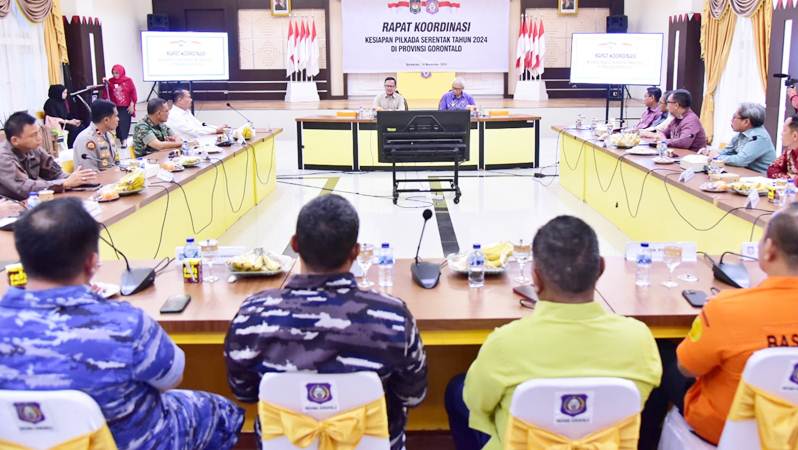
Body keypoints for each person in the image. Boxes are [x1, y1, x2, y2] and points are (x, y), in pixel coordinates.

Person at [0, 198, 244, 449]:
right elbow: (172, 378)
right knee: (219, 409)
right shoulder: (125, 324)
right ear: (91, 262)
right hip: (128, 442)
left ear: (23, 259)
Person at [224, 194, 427, 450]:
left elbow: (245, 393)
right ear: (356, 251)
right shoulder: (393, 317)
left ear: (295, 244)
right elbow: (413, 395)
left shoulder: (252, 316)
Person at [639, 203, 798, 447]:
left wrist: (709, 317)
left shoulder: (727, 308)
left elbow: (687, 368)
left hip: (724, 428)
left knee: (660, 353)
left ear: (769, 249)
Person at [446, 216, 662, 450]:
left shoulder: (504, 344)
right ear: (600, 268)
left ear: (536, 277)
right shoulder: (639, 339)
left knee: (457, 391)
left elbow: (476, 403)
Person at [0, 112, 97, 200]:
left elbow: (56, 173)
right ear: (15, 140)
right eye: (33, 135)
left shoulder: (34, 148)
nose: (39, 138)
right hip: (9, 208)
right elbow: (24, 188)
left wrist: (79, 179)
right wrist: (64, 183)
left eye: (38, 132)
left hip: (32, 202)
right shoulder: (3, 157)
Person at [700, 103, 776, 174]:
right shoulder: (742, 134)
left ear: (746, 122)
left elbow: (740, 160)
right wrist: (710, 152)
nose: (731, 120)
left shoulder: (759, 137)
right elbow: (727, 151)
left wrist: (717, 157)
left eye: (734, 117)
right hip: (744, 173)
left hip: (760, 179)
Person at [73, 99, 120, 171]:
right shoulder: (86, 139)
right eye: (116, 116)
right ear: (106, 120)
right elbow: (89, 175)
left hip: (113, 178)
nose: (118, 119)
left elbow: (115, 163)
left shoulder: (108, 134)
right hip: (99, 181)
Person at [102, 64, 137, 147]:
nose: (115, 75)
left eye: (117, 73)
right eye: (113, 73)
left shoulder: (128, 80)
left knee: (124, 123)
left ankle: (124, 140)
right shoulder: (111, 81)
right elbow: (107, 92)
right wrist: (105, 82)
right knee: (117, 123)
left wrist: (132, 104)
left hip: (126, 106)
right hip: (115, 106)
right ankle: (121, 139)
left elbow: (133, 93)